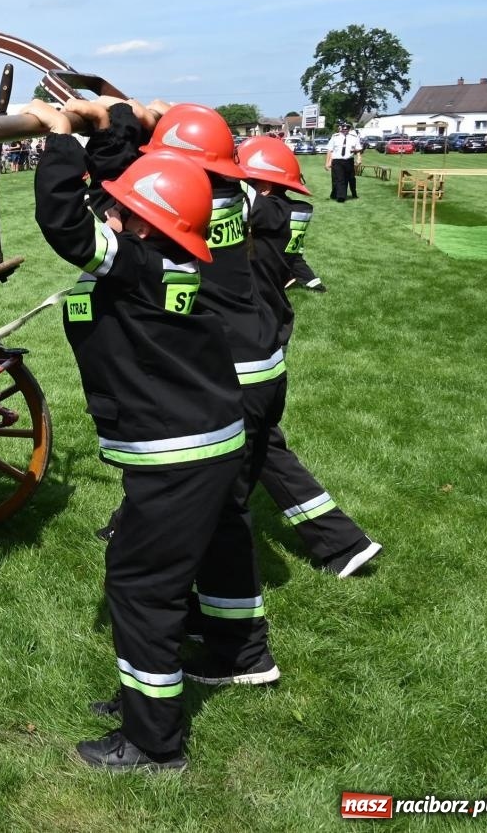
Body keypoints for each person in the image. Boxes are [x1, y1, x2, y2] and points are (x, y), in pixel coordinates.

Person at [27, 97, 273, 772]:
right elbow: (119, 196)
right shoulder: (168, 256)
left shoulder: (136, 266)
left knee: (140, 586)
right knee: (177, 568)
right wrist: (113, 128)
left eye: (120, 211)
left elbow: (66, 224)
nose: (109, 213)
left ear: (142, 226)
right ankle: (180, 681)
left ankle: (153, 742)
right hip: (207, 441)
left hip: (177, 456)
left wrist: (60, 140)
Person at [236, 136, 383, 575]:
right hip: (269, 334)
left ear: (262, 187)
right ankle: (344, 543)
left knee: (236, 444)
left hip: (246, 344)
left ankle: (342, 542)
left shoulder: (264, 212)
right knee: (258, 442)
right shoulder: (287, 209)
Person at [325, 122, 361, 202]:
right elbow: (330, 150)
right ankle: (341, 197)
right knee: (340, 178)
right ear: (340, 128)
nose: (345, 129)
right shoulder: (335, 137)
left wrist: (359, 158)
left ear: (349, 128)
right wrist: (327, 162)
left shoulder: (354, 137)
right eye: (343, 127)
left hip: (349, 160)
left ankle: (335, 194)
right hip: (337, 161)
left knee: (350, 178)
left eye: (347, 128)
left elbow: (358, 149)